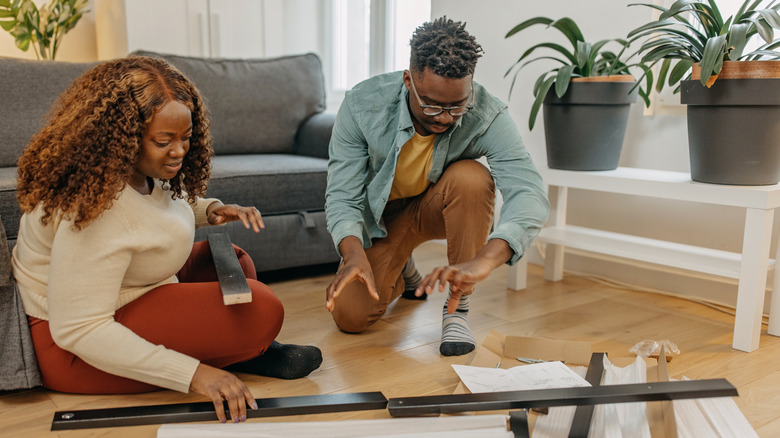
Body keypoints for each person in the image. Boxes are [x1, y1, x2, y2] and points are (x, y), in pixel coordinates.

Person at [11, 56, 322, 424]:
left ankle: (245, 349)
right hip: (67, 347)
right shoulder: (94, 209)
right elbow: (79, 330)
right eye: (164, 140)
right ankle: (247, 351)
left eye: (186, 137)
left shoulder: (127, 168)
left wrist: (212, 210)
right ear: (122, 136)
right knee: (262, 310)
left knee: (232, 261)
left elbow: (150, 213)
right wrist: (195, 376)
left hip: (126, 289)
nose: (179, 151)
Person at [324, 16, 550, 356]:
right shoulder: (362, 105)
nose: (444, 117)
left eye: (456, 106)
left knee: (472, 176)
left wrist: (484, 261)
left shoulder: (487, 114)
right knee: (351, 316)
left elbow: (529, 192)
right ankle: (405, 269)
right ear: (407, 81)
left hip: (435, 205)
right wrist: (353, 254)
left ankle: (458, 310)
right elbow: (343, 195)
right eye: (431, 103)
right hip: (382, 220)